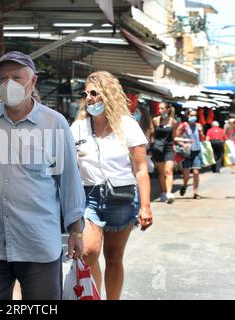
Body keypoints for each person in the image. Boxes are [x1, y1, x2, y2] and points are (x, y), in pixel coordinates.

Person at [0, 51, 86, 300]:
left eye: (16, 77)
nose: (8, 84)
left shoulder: (54, 123)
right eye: (3, 78)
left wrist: (76, 232)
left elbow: (69, 182)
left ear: (32, 81)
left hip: (38, 244)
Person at [70, 71, 153, 300]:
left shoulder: (128, 125)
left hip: (122, 196)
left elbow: (141, 168)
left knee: (114, 256)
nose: (90, 98)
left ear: (108, 95)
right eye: (86, 94)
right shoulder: (77, 128)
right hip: (88, 196)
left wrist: (145, 206)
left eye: (95, 93)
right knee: (88, 252)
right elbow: (68, 168)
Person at [150, 103, 178, 203]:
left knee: (168, 171)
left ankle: (169, 193)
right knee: (161, 172)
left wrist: (182, 142)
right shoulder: (155, 120)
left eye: (162, 108)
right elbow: (152, 134)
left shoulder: (173, 122)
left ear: (167, 109)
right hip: (158, 148)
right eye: (159, 108)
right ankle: (163, 192)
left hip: (169, 148)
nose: (160, 110)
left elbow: (174, 136)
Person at [175, 109, 204, 199]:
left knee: (196, 172)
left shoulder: (198, 125)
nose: (193, 117)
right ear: (187, 116)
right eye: (191, 115)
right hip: (186, 152)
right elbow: (176, 137)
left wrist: (201, 131)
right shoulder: (183, 125)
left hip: (196, 150)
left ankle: (195, 192)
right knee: (186, 173)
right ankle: (184, 185)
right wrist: (184, 144)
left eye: (194, 115)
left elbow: (202, 137)